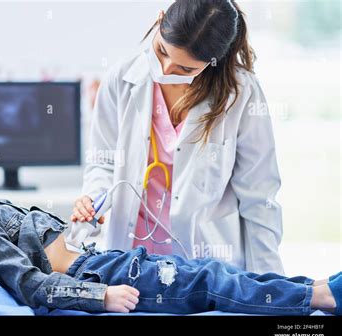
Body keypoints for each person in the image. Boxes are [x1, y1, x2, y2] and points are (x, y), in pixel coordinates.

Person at [0, 132, 341, 315]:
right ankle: (317, 295)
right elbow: (32, 284)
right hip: (98, 276)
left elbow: (48, 249)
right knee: (208, 280)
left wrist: (78, 230)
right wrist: (99, 296)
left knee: (209, 274)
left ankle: (313, 290)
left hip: (101, 261)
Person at [72, 0, 285, 274]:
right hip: (134, 261)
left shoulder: (241, 93)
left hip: (208, 265)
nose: (165, 69)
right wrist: (94, 198)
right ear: (160, 20)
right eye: (161, 51)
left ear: (212, 62)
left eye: (185, 70)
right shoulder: (120, 80)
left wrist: (270, 286)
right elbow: (103, 162)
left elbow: (259, 198)